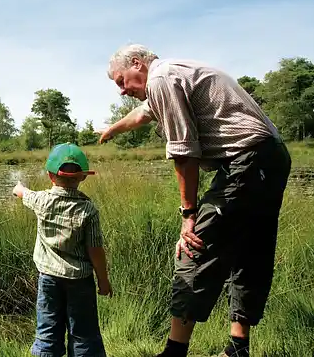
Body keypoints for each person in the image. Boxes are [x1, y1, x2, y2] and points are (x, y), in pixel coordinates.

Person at [98, 44, 292, 357]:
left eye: (121, 81)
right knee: (249, 250)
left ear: (137, 64)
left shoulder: (161, 79)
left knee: (193, 246)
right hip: (271, 157)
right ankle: (238, 349)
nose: (121, 90)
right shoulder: (175, 71)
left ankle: (174, 352)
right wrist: (111, 129)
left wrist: (188, 214)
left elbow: (184, 151)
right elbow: (142, 114)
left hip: (247, 160)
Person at [12, 142, 113, 357]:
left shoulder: (42, 201)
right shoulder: (88, 210)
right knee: (84, 334)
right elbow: (95, 249)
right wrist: (103, 280)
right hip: (80, 282)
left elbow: (23, 193)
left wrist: (18, 188)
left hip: (48, 278)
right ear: (83, 177)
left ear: (50, 175)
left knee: (48, 332)